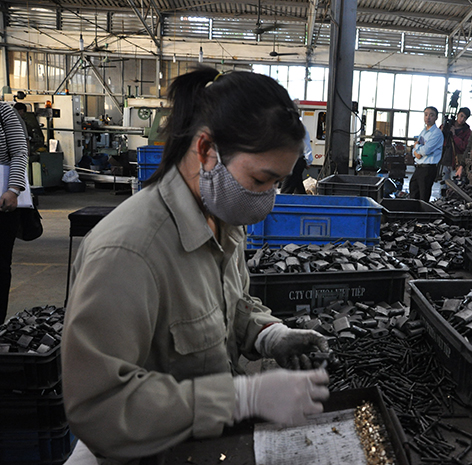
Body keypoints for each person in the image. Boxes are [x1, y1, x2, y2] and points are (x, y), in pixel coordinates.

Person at [62, 67, 331, 465]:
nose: (268, 198)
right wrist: (240, 398)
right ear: (206, 150)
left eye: (277, 183)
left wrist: (268, 334)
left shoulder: (221, 218)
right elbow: (99, 408)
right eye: (261, 180)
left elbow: (225, 306)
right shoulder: (128, 252)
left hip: (201, 449)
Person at [0, 102, 29, 324]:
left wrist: (13, 190)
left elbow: (19, 152)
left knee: (0, 265)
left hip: (2, 203)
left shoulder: (3, 111)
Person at [409, 106, 443, 202]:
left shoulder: (437, 133)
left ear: (436, 117)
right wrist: (416, 152)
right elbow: (415, 149)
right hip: (419, 167)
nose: (428, 117)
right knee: (413, 192)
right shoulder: (423, 132)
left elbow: (425, 150)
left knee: (423, 197)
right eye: (426, 115)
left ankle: (422, 212)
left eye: (431, 115)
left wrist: (417, 147)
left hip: (428, 169)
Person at [440, 107, 472, 193]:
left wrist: (454, 135)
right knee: (443, 186)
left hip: (456, 162)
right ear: (457, 114)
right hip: (444, 160)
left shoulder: (467, 131)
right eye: (461, 116)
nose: (462, 119)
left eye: (465, 118)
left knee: (455, 187)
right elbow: (439, 140)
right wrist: (442, 130)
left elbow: (464, 147)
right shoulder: (448, 125)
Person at [280, 127, 313, 194]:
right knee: (297, 186)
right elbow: (306, 145)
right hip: (295, 160)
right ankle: (303, 198)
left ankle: (284, 200)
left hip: (292, 160)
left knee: (287, 188)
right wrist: (308, 161)